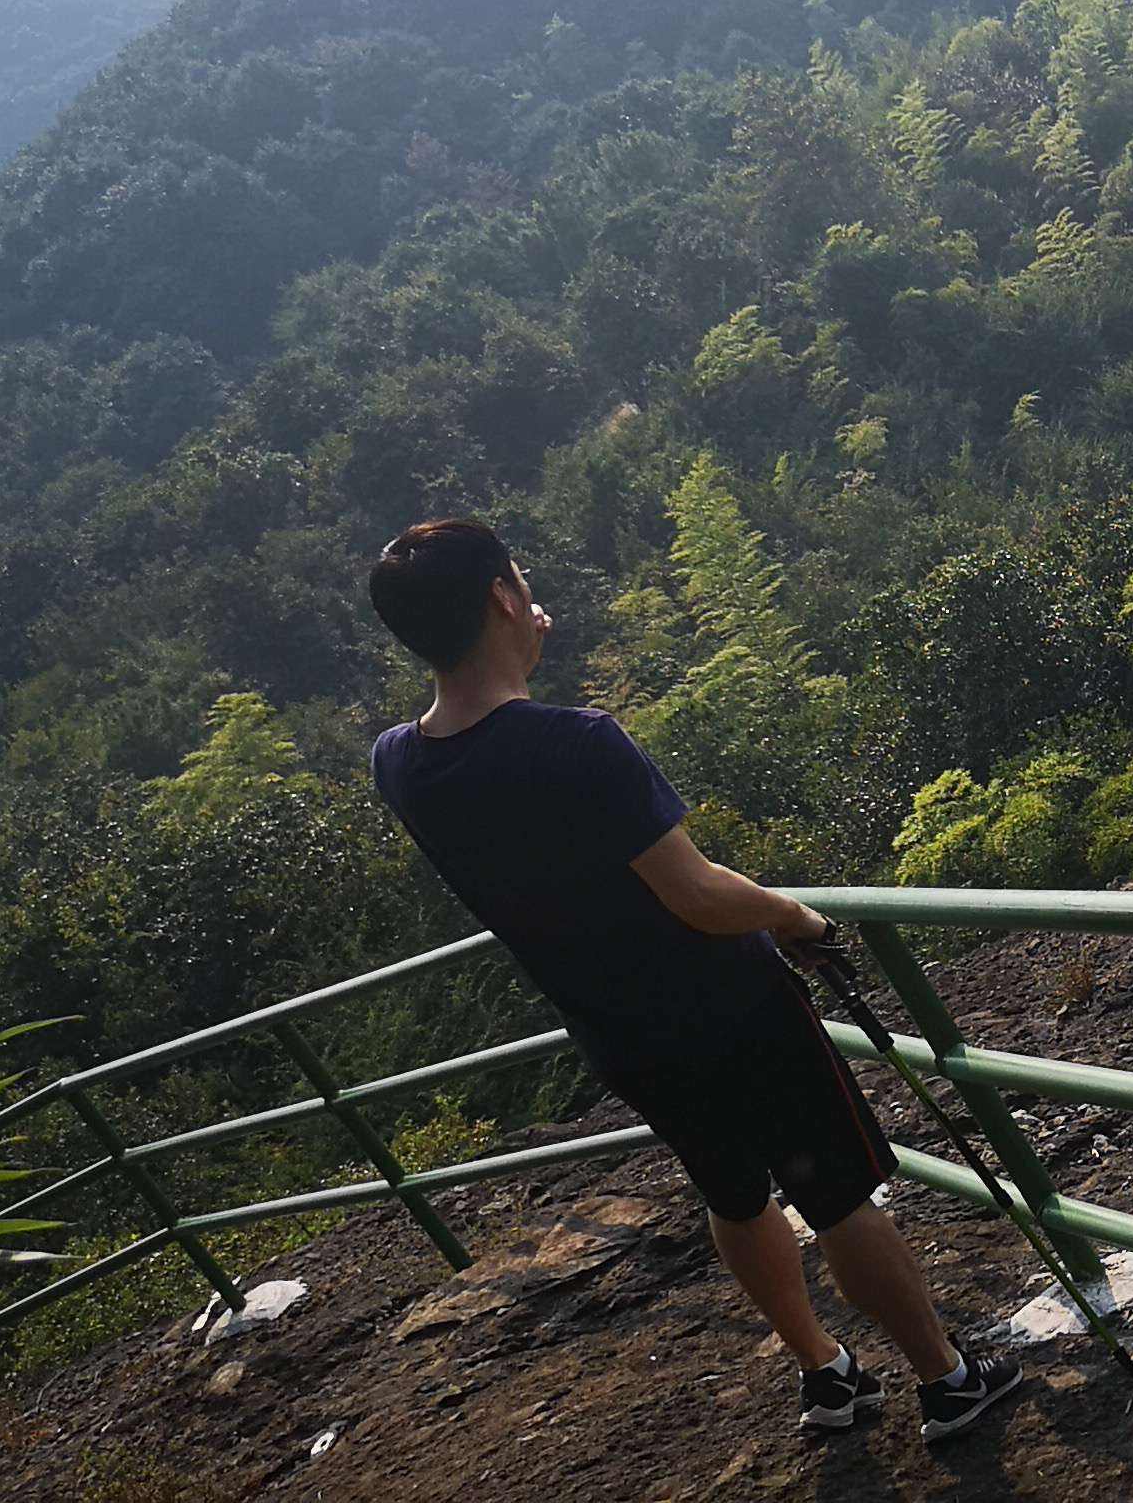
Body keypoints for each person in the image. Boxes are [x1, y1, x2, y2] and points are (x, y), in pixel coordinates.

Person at [363, 516, 1027, 1441]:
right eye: (521, 577)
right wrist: (799, 917)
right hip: (733, 1011)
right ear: (501, 601)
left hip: (620, 1036)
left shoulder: (398, 762)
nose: (531, 591)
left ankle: (826, 1374)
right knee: (836, 1194)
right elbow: (700, 895)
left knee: (733, 1192)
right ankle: (948, 1382)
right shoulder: (577, 743)